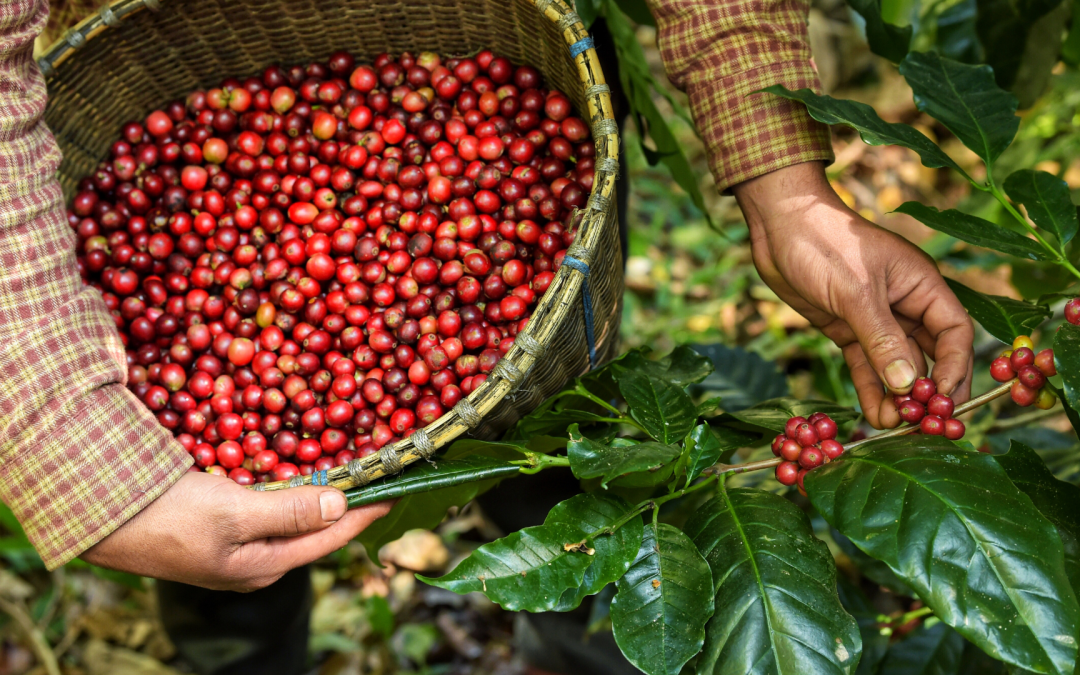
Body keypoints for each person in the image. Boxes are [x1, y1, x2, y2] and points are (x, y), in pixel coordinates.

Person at [0, 0, 974, 671]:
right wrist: (70, 442)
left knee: (563, 462)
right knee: (218, 559)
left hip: (514, 49)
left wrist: (785, 185)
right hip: (146, 59)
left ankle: (586, 644)